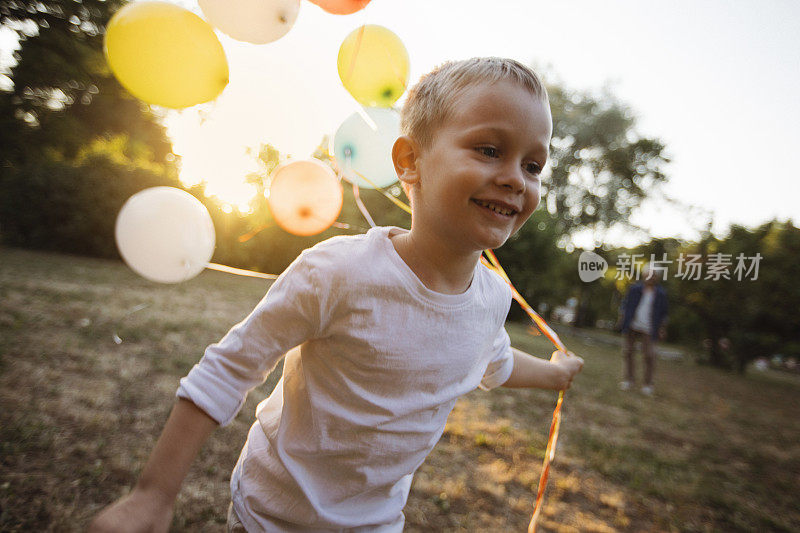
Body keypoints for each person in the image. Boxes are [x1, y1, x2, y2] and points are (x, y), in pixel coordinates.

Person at [89, 57, 584, 533]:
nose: (516, 178)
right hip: (272, 517)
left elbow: (493, 362)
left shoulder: (492, 300)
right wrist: (153, 495)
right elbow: (230, 366)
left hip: (377, 522)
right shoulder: (340, 273)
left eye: (534, 165)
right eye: (490, 150)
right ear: (410, 162)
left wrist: (555, 374)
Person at [619, 265, 668, 395]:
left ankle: (647, 384)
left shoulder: (661, 294)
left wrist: (662, 328)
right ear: (644, 274)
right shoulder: (635, 288)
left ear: (657, 277)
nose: (651, 277)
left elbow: (664, 313)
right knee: (628, 352)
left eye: (654, 275)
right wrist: (622, 318)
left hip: (650, 327)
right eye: (648, 274)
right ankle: (629, 380)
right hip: (632, 324)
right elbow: (625, 304)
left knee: (649, 355)